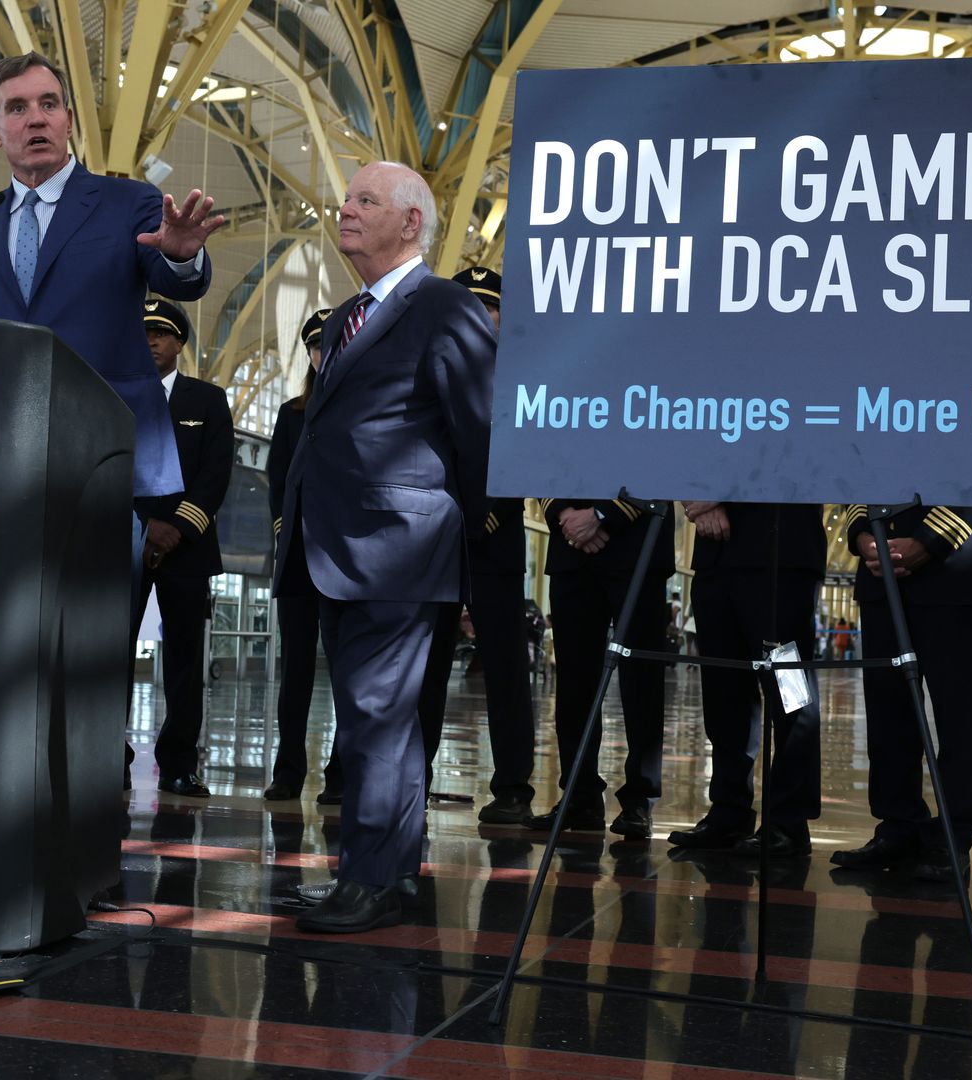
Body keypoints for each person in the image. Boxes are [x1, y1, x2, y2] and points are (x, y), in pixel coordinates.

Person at [274, 161, 493, 933]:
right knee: (381, 723)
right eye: (347, 198)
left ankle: (366, 879)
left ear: (411, 223)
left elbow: (478, 432)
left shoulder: (445, 307)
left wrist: (453, 528)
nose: (347, 209)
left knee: (374, 718)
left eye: (366, 200)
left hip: (400, 547)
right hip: (333, 545)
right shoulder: (344, 319)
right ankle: (389, 875)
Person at [0, 51, 222, 503]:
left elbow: (177, 284)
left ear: (68, 120)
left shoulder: (128, 203)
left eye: (48, 105)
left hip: (109, 456)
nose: (36, 120)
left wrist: (182, 258)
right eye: (17, 108)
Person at [830, 501, 972, 881]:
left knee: (959, 715)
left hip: (956, 562)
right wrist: (863, 534)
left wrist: (929, 540)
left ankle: (951, 838)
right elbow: (857, 464)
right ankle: (898, 825)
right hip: (880, 565)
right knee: (887, 711)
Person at [668, 502, 825, 857]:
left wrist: (716, 499)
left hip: (782, 552)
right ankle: (729, 810)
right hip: (716, 553)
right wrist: (697, 504)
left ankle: (789, 821)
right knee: (724, 695)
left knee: (791, 694)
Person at [129, 299, 233, 797]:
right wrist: (145, 524)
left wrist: (176, 529)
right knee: (112, 655)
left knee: (186, 663)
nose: (151, 341)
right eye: (144, 332)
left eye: (162, 334)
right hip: (126, 540)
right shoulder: (115, 395)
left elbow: (215, 476)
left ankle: (179, 763)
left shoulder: (207, 400)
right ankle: (109, 753)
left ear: (180, 343)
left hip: (187, 549)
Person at [528, 494, 674, 840]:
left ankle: (639, 799)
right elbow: (541, 451)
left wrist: (602, 515)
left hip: (638, 538)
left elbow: (663, 452)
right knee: (574, 683)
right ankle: (580, 795)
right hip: (571, 546)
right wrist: (565, 514)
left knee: (641, 681)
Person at [449, 267, 535, 826]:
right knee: (425, 674)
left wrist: (480, 519)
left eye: (492, 307)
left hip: (495, 545)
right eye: (471, 306)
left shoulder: (524, 383)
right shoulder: (431, 375)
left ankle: (512, 789)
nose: (483, 317)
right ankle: (408, 781)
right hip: (436, 546)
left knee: (506, 674)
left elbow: (525, 461)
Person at [265, 307, 333, 802]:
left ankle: (343, 774)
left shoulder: (364, 408)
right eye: (315, 345)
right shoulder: (291, 415)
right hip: (299, 558)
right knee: (296, 672)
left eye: (330, 343)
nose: (322, 352)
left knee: (351, 671)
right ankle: (288, 771)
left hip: (348, 559)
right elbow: (278, 483)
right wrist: (288, 533)